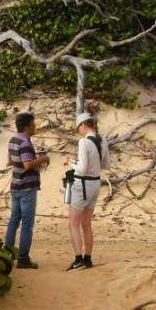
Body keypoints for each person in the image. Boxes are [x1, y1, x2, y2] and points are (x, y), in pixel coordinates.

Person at [65, 112, 110, 271]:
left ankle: (78, 260)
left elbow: (82, 168)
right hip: (95, 184)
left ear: (84, 125)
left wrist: (71, 163)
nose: (79, 131)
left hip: (83, 184)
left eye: (79, 128)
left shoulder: (84, 142)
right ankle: (88, 259)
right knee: (86, 224)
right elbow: (106, 165)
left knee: (73, 224)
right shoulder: (102, 140)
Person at [4, 112, 50, 269]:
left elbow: (9, 161)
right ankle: (23, 258)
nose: (35, 126)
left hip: (16, 185)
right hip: (26, 188)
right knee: (27, 224)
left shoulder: (13, 140)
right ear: (26, 127)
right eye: (33, 124)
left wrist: (31, 157)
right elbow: (27, 165)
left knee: (14, 221)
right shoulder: (24, 142)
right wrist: (42, 159)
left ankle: (7, 254)